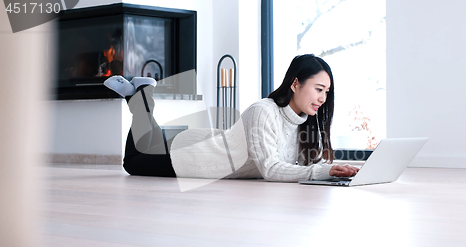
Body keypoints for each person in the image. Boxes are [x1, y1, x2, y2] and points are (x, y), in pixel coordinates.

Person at [104, 54, 358, 182]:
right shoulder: (264, 111)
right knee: (134, 162)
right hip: (193, 157)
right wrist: (321, 173)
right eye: (318, 89)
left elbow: (301, 167)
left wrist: (338, 170)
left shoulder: (304, 123)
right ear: (295, 84)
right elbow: (270, 169)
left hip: (201, 143)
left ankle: (137, 94)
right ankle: (141, 95)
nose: (323, 98)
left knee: (150, 142)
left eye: (326, 91)